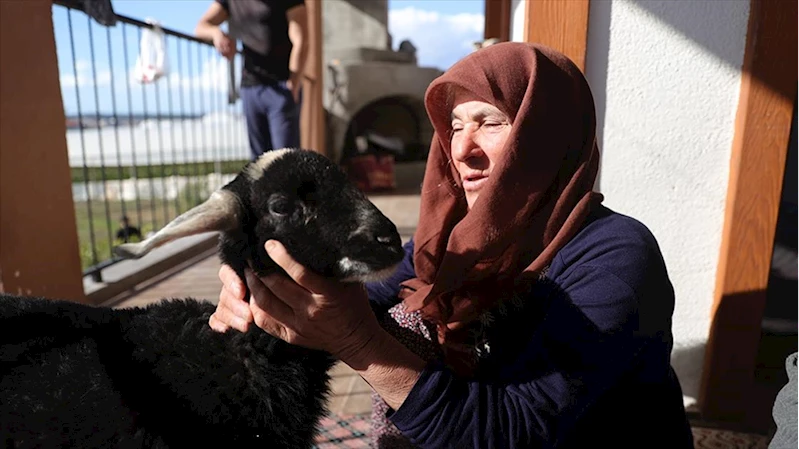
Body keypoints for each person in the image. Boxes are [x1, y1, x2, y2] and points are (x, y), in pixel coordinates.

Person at [208, 42, 695, 448]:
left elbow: (517, 429)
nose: (461, 149)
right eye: (455, 127)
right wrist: (259, 290)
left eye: (491, 122)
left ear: (545, 135)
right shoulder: (448, 242)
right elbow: (362, 296)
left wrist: (360, 343)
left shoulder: (616, 255)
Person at [195, 0, 308, 161]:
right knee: (259, 163)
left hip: (282, 87)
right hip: (250, 87)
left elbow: (302, 39)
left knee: (286, 161)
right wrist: (217, 34)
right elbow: (201, 26)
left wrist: (294, 82)